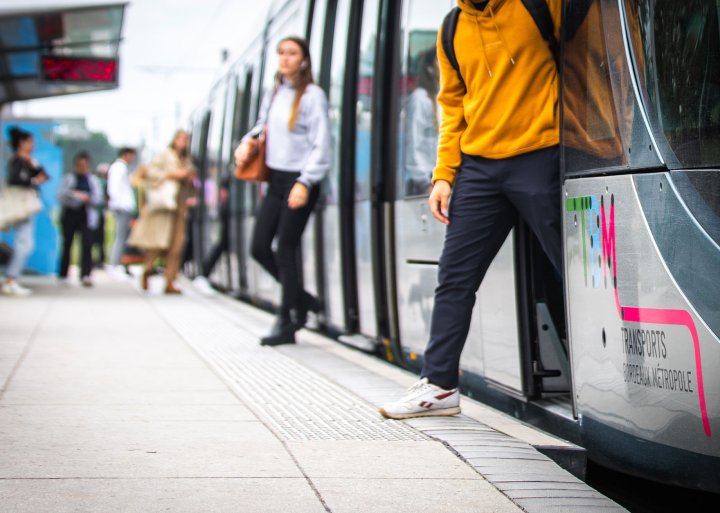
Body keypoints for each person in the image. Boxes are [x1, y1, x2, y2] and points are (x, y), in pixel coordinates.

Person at [380, 0, 563, 419]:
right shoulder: (452, 28)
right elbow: (453, 105)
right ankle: (440, 385)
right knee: (455, 276)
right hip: (479, 167)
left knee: (566, 271)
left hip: (539, 153)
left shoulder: (536, 5)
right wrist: (444, 174)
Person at [234, 36, 330, 346]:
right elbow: (263, 126)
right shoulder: (275, 92)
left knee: (286, 248)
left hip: (300, 180)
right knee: (260, 247)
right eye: (281, 53)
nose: (285, 58)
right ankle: (302, 300)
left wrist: (305, 181)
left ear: (303, 60)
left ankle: (287, 318)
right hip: (275, 180)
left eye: (292, 53)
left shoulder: (313, 96)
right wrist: (246, 142)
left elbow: (321, 144)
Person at [128, 130, 195, 294]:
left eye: (186, 139)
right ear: (174, 140)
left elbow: (193, 183)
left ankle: (170, 281)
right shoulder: (164, 155)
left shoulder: (187, 160)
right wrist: (172, 174)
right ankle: (147, 270)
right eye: (181, 138)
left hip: (179, 207)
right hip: (164, 207)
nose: (183, 142)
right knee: (158, 243)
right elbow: (150, 172)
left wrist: (189, 179)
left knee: (176, 247)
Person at [1, 127, 49, 296]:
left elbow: (45, 175)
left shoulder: (27, 160)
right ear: (22, 143)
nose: (33, 145)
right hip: (20, 207)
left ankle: (11, 278)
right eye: (30, 142)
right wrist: (34, 180)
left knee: (25, 243)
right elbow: (16, 180)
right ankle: (10, 279)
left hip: (26, 207)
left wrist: (33, 168)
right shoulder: (17, 161)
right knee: (25, 243)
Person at [58, 151, 104, 287]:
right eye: (79, 165)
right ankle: (63, 274)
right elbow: (60, 196)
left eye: (85, 165)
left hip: (86, 215)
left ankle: (85, 274)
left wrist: (88, 198)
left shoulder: (93, 181)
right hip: (70, 215)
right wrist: (74, 196)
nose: (82, 167)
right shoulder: (68, 178)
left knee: (87, 245)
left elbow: (98, 199)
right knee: (67, 245)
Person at [107, 147, 137, 272]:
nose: (133, 158)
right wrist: (120, 204)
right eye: (132, 155)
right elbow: (113, 188)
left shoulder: (121, 167)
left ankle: (118, 263)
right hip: (122, 206)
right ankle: (115, 264)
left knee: (122, 237)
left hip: (123, 206)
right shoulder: (119, 167)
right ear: (126, 155)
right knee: (120, 237)